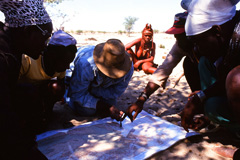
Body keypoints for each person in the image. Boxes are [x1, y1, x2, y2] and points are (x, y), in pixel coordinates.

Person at [0, 0, 53, 159]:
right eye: (45, 38)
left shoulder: (12, 49)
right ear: (27, 31)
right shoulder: (3, 57)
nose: (45, 46)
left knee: (28, 92)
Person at [126, 12, 201, 122]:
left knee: (190, 64)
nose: (177, 38)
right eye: (176, 35)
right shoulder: (180, 45)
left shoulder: (206, 42)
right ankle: (200, 103)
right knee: (188, 64)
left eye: (181, 35)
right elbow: (163, 70)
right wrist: (141, 100)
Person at [181, 0, 240, 133]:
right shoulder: (227, 36)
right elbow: (224, 80)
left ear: (216, 31)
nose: (197, 48)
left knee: (236, 80)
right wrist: (200, 97)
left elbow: (234, 81)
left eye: (198, 42)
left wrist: (201, 97)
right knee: (213, 106)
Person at [18, 30, 77, 127]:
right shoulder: (27, 60)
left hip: (38, 93)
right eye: (65, 62)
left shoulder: (59, 65)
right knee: (30, 91)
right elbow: (9, 88)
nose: (67, 67)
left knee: (57, 87)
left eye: (69, 63)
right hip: (24, 94)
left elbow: (60, 84)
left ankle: (46, 113)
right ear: (52, 56)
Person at [65, 39, 134, 121]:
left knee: (111, 103)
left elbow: (115, 92)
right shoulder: (86, 65)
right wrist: (105, 107)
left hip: (95, 87)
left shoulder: (128, 68)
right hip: (75, 75)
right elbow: (78, 94)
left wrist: (94, 92)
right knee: (85, 110)